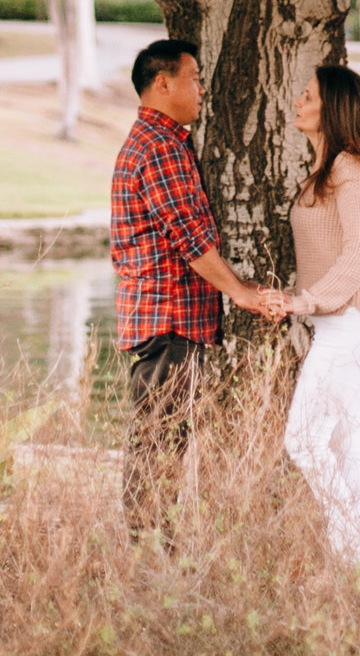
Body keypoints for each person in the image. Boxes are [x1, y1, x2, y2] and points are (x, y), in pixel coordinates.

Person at [110, 38, 277, 537]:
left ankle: (158, 551)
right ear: (163, 83)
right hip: (169, 323)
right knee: (158, 446)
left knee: (162, 443)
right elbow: (192, 240)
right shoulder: (158, 148)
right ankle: (151, 556)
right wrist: (242, 293)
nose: (203, 88)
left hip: (171, 323)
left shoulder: (163, 141)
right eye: (195, 77)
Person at [260, 64, 360, 567]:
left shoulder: (352, 170)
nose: (298, 102)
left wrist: (304, 302)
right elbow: (331, 249)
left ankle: (350, 551)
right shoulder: (331, 167)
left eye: (310, 97)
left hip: (355, 321)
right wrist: (294, 297)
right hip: (347, 319)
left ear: (334, 108)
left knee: (303, 439)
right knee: (343, 439)